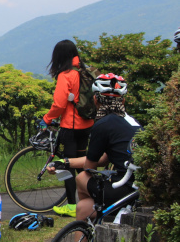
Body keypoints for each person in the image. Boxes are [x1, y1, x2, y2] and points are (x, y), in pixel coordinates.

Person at [48, 74, 140, 222]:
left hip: (122, 188)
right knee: (83, 207)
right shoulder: (131, 122)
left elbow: (89, 168)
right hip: (137, 188)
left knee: (82, 177)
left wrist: (63, 165)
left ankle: (97, 217)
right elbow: (104, 159)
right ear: (123, 101)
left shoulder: (103, 125)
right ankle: (91, 224)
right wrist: (65, 162)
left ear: (95, 100)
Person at [42, 40, 94, 217]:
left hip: (70, 127)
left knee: (66, 166)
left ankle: (72, 206)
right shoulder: (86, 72)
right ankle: (94, 199)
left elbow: (59, 103)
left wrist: (47, 119)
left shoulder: (66, 75)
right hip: (87, 125)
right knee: (83, 164)